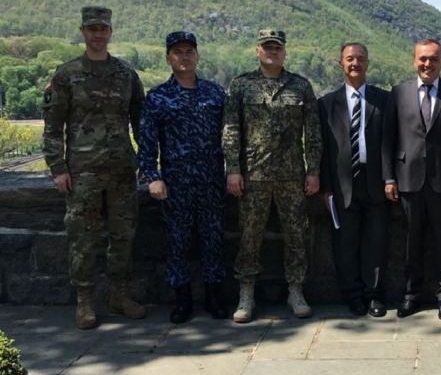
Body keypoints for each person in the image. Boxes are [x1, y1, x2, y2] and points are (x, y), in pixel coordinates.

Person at [43, 6, 146, 329]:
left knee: (123, 236)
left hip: (121, 171)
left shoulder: (126, 74)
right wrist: (58, 168)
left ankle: (120, 294)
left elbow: (140, 120)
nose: (98, 34)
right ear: (83, 31)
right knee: (82, 238)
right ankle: (84, 300)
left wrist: (146, 160)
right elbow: (52, 127)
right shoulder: (66, 74)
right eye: (92, 29)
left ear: (110, 31)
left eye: (103, 29)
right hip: (82, 172)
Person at [223, 29, 322, 323]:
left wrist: (313, 170)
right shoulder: (240, 86)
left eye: (277, 47)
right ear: (257, 50)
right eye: (267, 47)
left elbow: (313, 132)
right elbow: (231, 130)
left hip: (292, 176)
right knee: (249, 236)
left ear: (284, 51)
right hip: (252, 176)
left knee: (295, 235)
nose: (272, 52)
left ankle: (295, 290)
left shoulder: (300, 86)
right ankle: (246, 293)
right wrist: (232, 169)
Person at [137, 31, 228, 323]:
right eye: (177, 52)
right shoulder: (157, 97)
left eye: (189, 51)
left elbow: (230, 138)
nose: (184, 56)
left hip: (212, 181)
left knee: (213, 241)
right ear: (168, 58)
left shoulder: (215, 93)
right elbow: (147, 143)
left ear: (197, 56)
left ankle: (214, 298)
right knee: (177, 243)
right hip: (175, 185)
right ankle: (183, 301)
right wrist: (153, 176)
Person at [382, 39, 441, 320]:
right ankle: (412, 296)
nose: (427, 64)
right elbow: (388, 139)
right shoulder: (398, 93)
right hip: (407, 179)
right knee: (412, 241)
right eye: (422, 59)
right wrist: (388, 177)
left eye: (433, 59)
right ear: (414, 61)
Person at [318, 43, 391, 317]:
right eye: (349, 59)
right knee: (345, 245)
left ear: (367, 64)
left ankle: (374, 296)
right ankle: (354, 296)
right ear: (341, 64)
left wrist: (390, 179)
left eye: (360, 59)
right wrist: (325, 188)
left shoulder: (384, 100)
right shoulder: (325, 104)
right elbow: (322, 149)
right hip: (341, 185)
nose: (355, 64)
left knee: (376, 243)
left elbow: (392, 142)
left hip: (375, 182)